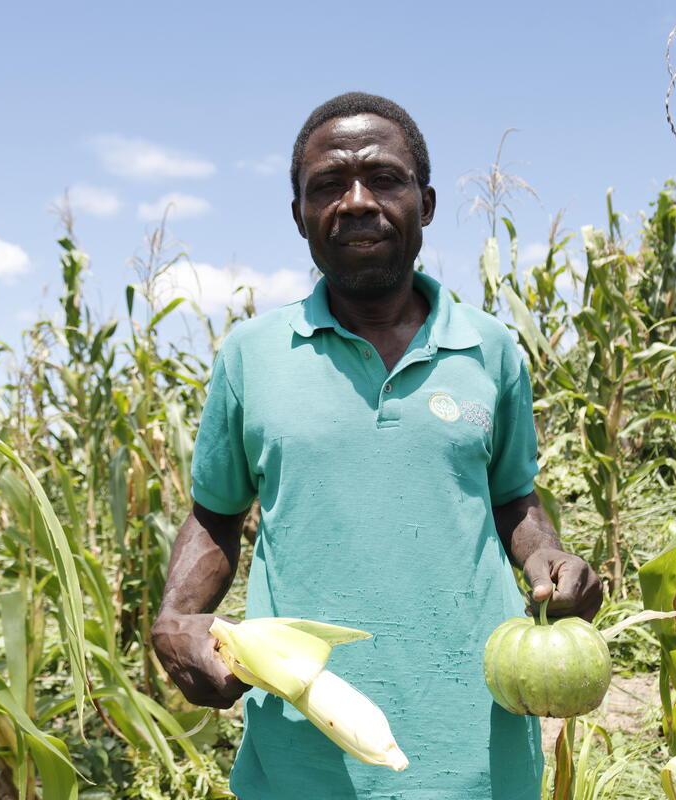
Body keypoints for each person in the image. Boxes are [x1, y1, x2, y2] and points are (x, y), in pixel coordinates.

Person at [151, 91, 602, 800]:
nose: (357, 201)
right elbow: (215, 515)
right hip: (305, 741)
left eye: (383, 179)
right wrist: (175, 618)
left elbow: (512, 497)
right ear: (299, 214)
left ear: (424, 203)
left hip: (478, 742)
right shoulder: (251, 355)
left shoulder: (490, 349)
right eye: (328, 185)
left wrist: (550, 557)